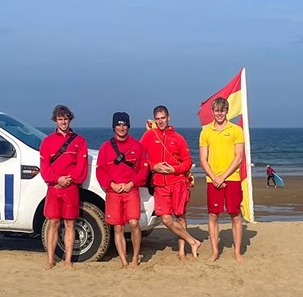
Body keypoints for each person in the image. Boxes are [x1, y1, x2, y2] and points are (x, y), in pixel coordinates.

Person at [140, 105, 201, 260]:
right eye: (158, 119)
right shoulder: (149, 136)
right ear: (155, 120)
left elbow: (188, 162)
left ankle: (182, 251)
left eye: (163, 118)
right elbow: (140, 157)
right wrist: (154, 166)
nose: (161, 121)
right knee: (166, 218)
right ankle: (192, 241)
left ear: (169, 118)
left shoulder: (178, 138)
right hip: (160, 184)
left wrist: (173, 170)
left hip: (179, 182)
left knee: (180, 216)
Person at [39, 105, 88, 270]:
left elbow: (82, 166)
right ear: (55, 121)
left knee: (70, 224)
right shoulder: (47, 142)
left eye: (66, 119)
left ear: (70, 119)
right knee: (53, 222)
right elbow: (44, 167)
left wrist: (69, 179)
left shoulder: (79, 141)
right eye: (60, 119)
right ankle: (50, 259)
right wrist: (57, 179)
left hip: (71, 188)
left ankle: (68, 260)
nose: (63, 122)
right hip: (54, 188)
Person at [97, 112, 149, 268]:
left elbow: (143, 169)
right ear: (114, 127)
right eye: (118, 125)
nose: (121, 128)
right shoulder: (106, 147)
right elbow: (100, 170)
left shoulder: (137, 146)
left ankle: (134, 258)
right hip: (113, 192)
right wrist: (110, 185)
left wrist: (132, 184)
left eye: (124, 124)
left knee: (134, 223)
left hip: (131, 190)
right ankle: (123, 261)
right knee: (118, 227)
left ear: (128, 126)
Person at [199, 97, 245, 263]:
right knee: (213, 215)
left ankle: (237, 252)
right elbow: (203, 159)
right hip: (213, 180)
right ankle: (214, 252)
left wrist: (223, 176)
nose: (219, 113)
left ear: (227, 111)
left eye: (222, 110)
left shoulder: (236, 130)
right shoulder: (206, 132)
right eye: (217, 110)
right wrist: (214, 177)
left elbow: (239, 157)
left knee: (235, 214)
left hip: (231, 178)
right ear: (213, 112)